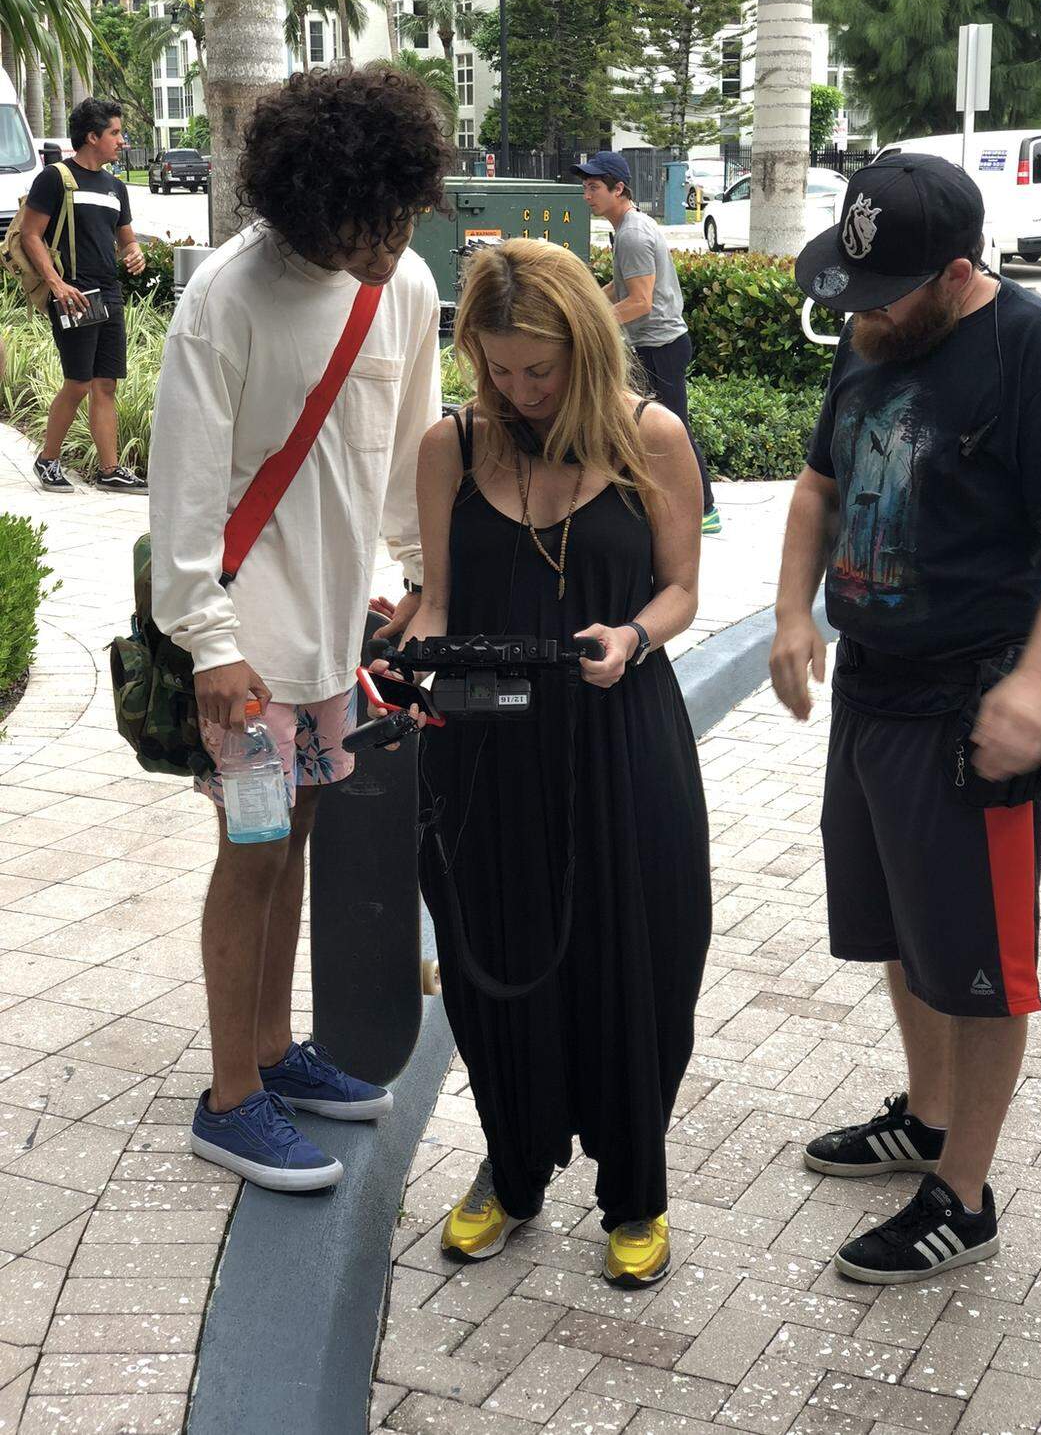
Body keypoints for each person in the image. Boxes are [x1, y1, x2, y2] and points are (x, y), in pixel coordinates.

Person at [770, 153, 1041, 1283]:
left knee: (978, 963)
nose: (862, 312)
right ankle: (925, 1118)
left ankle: (962, 1193)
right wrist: (791, 613)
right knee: (901, 934)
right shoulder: (874, 332)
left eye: (886, 292)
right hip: (871, 689)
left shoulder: (1032, 346)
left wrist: (1033, 682)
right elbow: (822, 482)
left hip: (971, 710)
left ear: (958, 270)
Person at [384, 238, 711, 1287]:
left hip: (621, 740)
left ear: (584, 346)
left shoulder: (650, 436)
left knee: (636, 966)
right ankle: (514, 1167)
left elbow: (679, 591)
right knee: (495, 974)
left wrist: (635, 639)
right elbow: (437, 600)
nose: (520, 392)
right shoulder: (451, 445)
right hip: (487, 751)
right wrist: (405, 643)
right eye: (499, 370)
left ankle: (638, 1192)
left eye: (541, 369)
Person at [148, 68, 452, 1191]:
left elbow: (407, 444)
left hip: (338, 635)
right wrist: (209, 643)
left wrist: (419, 575)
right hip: (248, 644)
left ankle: (277, 1053)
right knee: (253, 848)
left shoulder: (406, 285)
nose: (389, 241)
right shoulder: (228, 295)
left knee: (303, 835)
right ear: (310, 201)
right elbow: (181, 484)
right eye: (369, 221)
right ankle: (230, 1099)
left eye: (404, 214)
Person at [572, 150, 720, 535]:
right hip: (656, 345)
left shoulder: (633, 234)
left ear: (618, 188)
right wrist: (586, 300)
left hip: (660, 347)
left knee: (673, 429)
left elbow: (641, 301)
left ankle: (705, 509)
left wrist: (593, 322)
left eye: (594, 188)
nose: (587, 195)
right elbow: (625, 287)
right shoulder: (629, 226)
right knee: (644, 426)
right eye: (585, 187)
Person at [21, 98, 147, 493]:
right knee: (78, 382)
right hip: (74, 294)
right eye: (114, 132)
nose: (120, 140)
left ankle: (109, 471)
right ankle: (48, 459)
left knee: (105, 383)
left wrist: (135, 252)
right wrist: (57, 284)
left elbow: (126, 239)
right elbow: (30, 234)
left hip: (107, 293)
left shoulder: (116, 186)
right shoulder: (55, 178)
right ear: (92, 137)